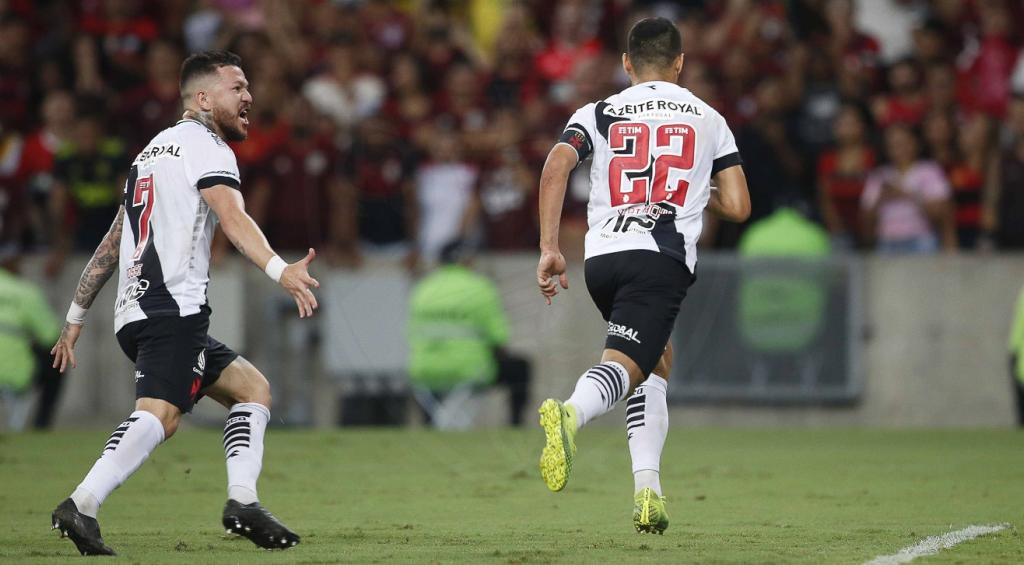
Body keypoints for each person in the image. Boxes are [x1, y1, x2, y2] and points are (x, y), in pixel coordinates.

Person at [48, 51, 319, 556]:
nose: (248, 97)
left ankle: (243, 500)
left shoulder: (151, 153)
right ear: (202, 98)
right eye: (236, 87)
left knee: (252, 391)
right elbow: (233, 217)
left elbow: (113, 241)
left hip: (136, 312)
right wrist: (281, 270)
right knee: (161, 415)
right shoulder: (206, 147)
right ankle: (82, 502)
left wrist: (75, 316)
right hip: (172, 308)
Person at [534, 18, 750, 534]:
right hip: (659, 256)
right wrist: (699, 193)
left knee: (656, 359)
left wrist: (547, 248)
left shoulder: (598, 111)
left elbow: (555, 168)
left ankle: (648, 492)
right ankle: (571, 413)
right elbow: (739, 205)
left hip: (603, 258)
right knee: (627, 365)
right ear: (680, 62)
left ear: (627, 63)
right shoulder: (707, 117)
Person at [407, 240, 530, 428]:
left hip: (424, 371)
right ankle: (515, 425)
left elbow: (412, 334)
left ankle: (430, 424)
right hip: (469, 371)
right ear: (467, 260)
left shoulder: (422, 289)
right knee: (521, 368)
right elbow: (499, 339)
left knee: (434, 381)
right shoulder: (480, 287)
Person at [0, 248, 62, 430]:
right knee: (58, 360)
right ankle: (41, 426)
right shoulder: (26, 293)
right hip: (14, 374)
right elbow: (51, 336)